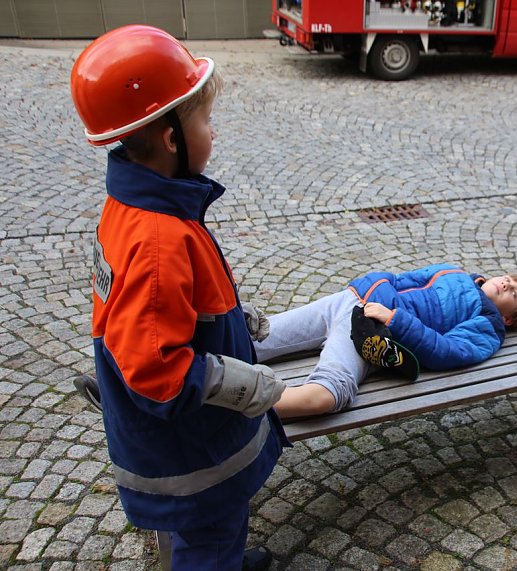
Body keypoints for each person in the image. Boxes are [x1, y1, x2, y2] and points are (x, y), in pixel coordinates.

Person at [69, 25, 287, 571]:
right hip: (192, 445)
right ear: (171, 137)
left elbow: (166, 308)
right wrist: (244, 383)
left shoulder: (136, 207)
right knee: (209, 527)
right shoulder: (158, 236)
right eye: (204, 120)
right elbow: (153, 369)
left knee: (212, 530)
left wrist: (237, 318)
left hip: (181, 435)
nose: (211, 132)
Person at [253, 263, 517, 418]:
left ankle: (240, 403)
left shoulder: (487, 326)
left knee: (326, 395)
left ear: (508, 320)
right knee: (257, 335)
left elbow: (447, 351)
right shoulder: (454, 272)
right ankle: (210, 374)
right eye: (508, 279)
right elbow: (401, 278)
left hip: (370, 333)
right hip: (350, 299)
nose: (506, 284)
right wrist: (375, 283)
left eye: (514, 293)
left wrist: (394, 320)